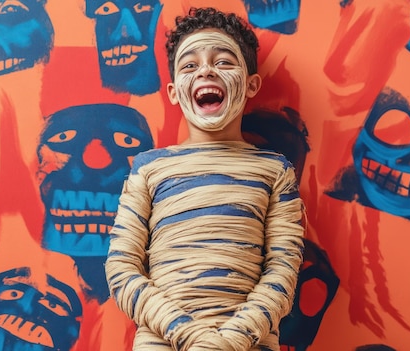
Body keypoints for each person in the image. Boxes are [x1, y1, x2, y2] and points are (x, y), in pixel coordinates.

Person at [104, 7, 305, 351]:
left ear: (251, 84)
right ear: (173, 91)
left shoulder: (276, 172)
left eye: (224, 61)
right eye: (190, 65)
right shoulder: (148, 169)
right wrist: (190, 335)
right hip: (164, 340)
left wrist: (229, 341)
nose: (207, 70)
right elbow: (122, 268)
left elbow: (283, 272)